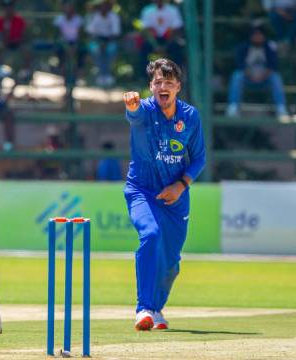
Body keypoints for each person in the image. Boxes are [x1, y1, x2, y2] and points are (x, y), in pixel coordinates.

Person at [122, 58, 205, 331]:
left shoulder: (190, 116)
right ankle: (143, 308)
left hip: (176, 197)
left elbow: (199, 159)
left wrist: (181, 185)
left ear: (178, 87)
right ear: (151, 87)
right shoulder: (144, 109)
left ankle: (156, 310)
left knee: (171, 263)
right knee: (151, 235)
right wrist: (132, 106)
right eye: (158, 82)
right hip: (142, 191)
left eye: (168, 82)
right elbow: (134, 117)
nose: (163, 87)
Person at [226, 25, 288, 118]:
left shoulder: (270, 47)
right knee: (237, 76)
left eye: (260, 35)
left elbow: (273, 66)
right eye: (255, 35)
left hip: (264, 80)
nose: (257, 37)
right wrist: (251, 76)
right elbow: (240, 65)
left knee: (275, 77)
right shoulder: (243, 47)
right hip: (248, 79)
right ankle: (233, 108)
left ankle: (281, 109)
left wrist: (262, 77)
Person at [140, 0, 184, 75]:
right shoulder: (147, 10)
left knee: (177, 49)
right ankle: (145, 76)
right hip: (153, 40)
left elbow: (176, 30)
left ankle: (177, 74)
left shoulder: (172, 10)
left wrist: (165, 46)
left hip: (169, 39)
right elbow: (147, 31)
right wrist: (155, 45)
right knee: (144, 49)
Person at [85, 0, 121, 87]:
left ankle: (107, 75)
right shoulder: (94, 16)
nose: (104, 7)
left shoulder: (114, 17)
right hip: (97, 41)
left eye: (106, 5)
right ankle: (101, 75)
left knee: (111, 50)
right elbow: (90, 33)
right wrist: (100, 43)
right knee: (95, 50)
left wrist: (105, 43)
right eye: (102, 5)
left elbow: (115, 33)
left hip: (110, 41)